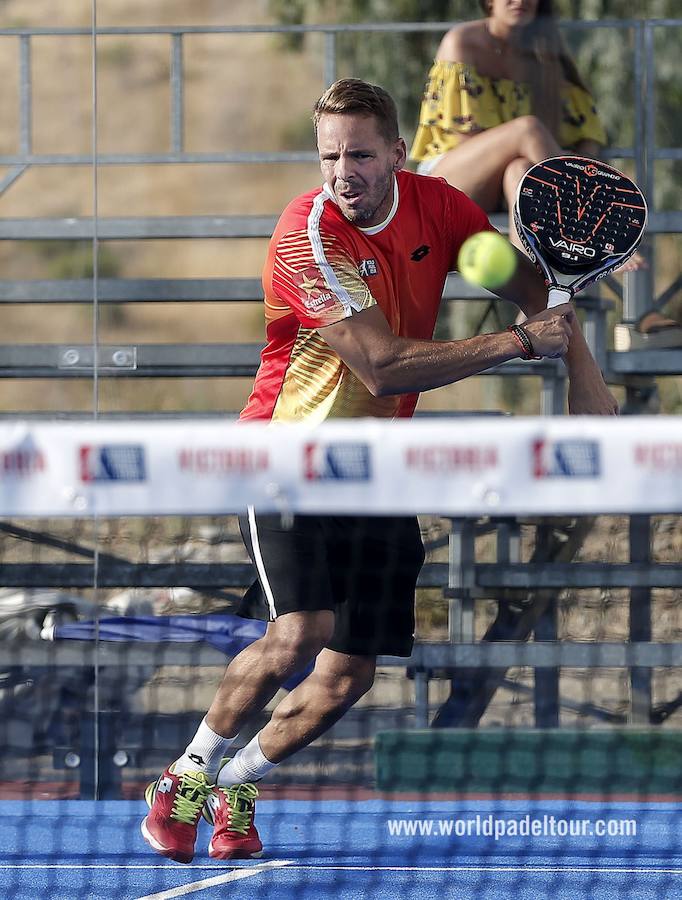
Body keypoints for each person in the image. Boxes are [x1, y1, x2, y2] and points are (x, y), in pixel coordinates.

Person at [141, 77, 617, 865]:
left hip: (376, 470)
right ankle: (186, 776)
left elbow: (531, 289)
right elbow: (383, 370)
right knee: (299, 633)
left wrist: (583, 371)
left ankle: (242, 781)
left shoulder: (442, 209)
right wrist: (511, 345)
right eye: (329, 156)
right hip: (284, 457)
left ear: (396, 153)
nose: (342, 171)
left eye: (359, 154)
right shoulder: (307, 235)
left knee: (349, 673)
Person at [410, 0, 617, 253]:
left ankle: (529, 278)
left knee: (520, 170)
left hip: (508, 185)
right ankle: (600, 229)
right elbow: (466, 142)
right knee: (527, 129)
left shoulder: (543, 56)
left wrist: (582, 164)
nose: (520, 1)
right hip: (448, 182)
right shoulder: (463, 42)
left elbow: (586, 134)